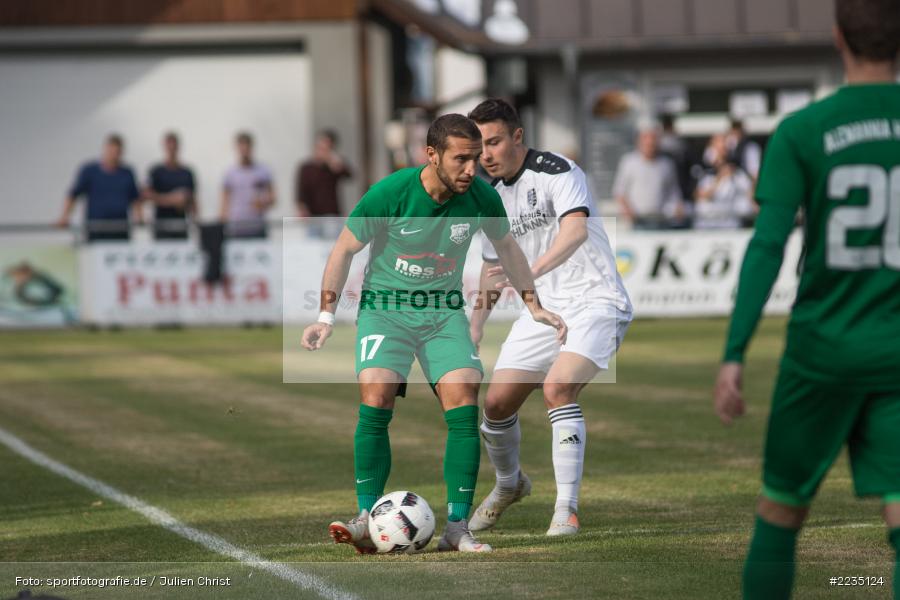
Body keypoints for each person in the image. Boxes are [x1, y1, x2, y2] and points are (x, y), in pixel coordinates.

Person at [300, 114, 567, 554]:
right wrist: (326, 316)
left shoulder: (480, 196)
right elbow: (344, 248)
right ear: (432, 155)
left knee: (465, 396)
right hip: (385, 312)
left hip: (442, 314)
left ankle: (457, 527)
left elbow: (508, 251)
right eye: (461, 159)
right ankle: (367, 518)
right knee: (376, 394)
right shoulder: (392, 192)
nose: (471, 169)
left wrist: (534, 305)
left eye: (477, 159)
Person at [713, 1, 900, 598]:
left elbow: (768, 247)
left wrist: (735, 352)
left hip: (822, 352)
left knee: (782, 509)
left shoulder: (803, 129)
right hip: (898, 352)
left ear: (840, 38)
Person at [466, 98, 633, 536]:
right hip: (542, 313)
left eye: (494, 141)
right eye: (479, 145)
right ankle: (509, 485)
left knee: (558, 388)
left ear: (517, 136)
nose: (485, 154)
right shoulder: (490, 197)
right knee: (496, 406)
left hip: (597, 301)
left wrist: (529, 273)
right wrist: (476, 325)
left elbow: (575, 231)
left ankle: (566, 510)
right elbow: (491, 269)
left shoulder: (558, 169)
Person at [57, 134, 140, 242]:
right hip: (96, 229)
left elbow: (135, 198)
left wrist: (139, 217)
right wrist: (64, 217)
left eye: (117, 152)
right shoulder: (89, 171)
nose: (114, 155)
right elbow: (73, 195)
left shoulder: (127, 172)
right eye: (112, 151)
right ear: (105, 149)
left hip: (120, 228)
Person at [612, 127, 684, 229]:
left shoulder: (667, 164)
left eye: (653, 141)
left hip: (661, 220)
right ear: (639, 142)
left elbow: (673, 191)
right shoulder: (629, 162)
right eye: (646, 141)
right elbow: (619, 192)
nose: (650, 145)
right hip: (636, 221)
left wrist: (678, 207)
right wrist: (628, 213)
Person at [296, 129, 353, 238]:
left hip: (331, 215)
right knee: (313, 246)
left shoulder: (333, 166)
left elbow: (349, 175)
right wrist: (302, 209)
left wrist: (335, 162)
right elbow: (301, 191)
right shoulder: (306, 168)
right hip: (313, 216)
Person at [220, 132, 275, 239]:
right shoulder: (230, 173)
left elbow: (273, 197)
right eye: (242, 147)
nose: (244, 151)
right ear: (237, 148)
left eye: (247, 147)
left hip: (257, 227)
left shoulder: (263, 171)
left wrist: (264, 202)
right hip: (235, 228)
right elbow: (224, 202)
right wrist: (222, 225)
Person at [694, 135, 755, 229]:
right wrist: (719, 178)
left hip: (729, 226)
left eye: (723, 148)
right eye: (717, 147)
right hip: (706, 226)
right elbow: (700, 195)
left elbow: (750, 194)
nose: (721, 152)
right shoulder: (703, 171)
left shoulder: (736, 173)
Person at [145, 132, 196, 240]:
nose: (171, 149)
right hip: (161, 225)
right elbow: (147, 195)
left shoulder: (187, 173)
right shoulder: (156, 172)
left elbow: (193, 200)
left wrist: (195, 220)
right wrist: (172, 199)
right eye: (169, 146)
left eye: (174, 146)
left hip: (181, 226)